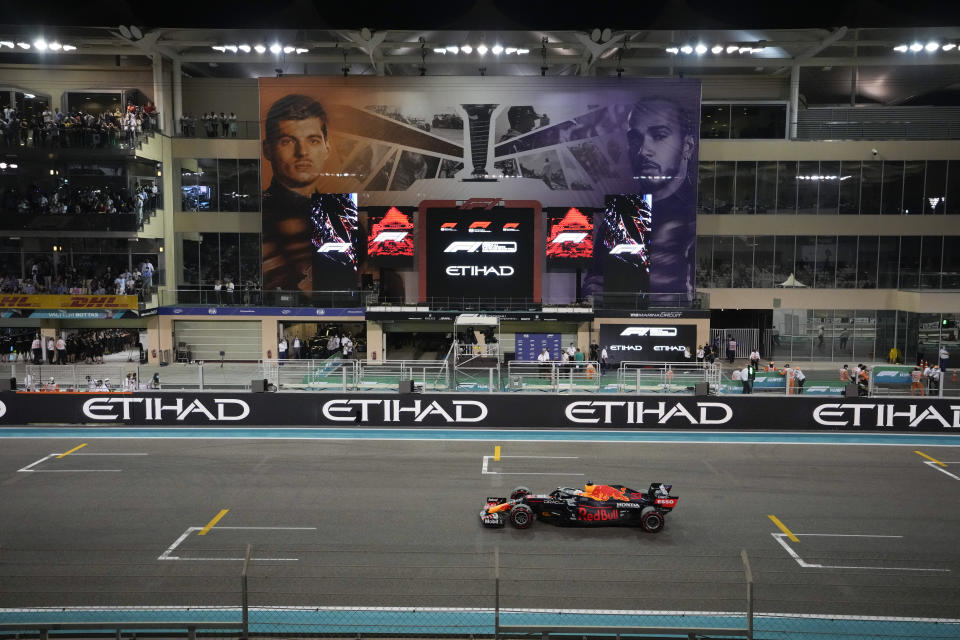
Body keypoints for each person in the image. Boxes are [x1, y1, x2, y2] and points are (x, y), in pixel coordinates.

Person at [261, 94, 334, 291]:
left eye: (313, 140)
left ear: (327, 147)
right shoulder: (259, 216)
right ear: (267, 150)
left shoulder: (339, 213)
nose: (302, 152)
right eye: (287, 141)